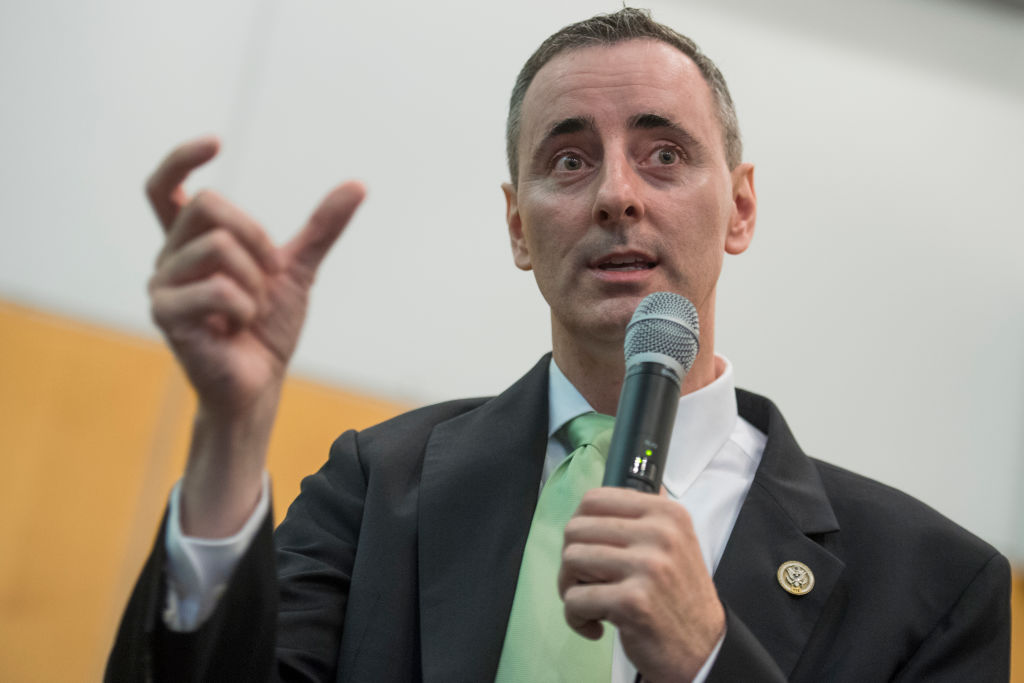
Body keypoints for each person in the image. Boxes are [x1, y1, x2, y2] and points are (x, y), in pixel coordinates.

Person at [107, 8, 1010, 682]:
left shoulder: (936, 585)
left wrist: (708, 661)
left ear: (740, 208)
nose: (617, 194)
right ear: (518, 228)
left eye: (664, 155)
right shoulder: (377, 488)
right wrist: (232, 427)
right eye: (570, 161)